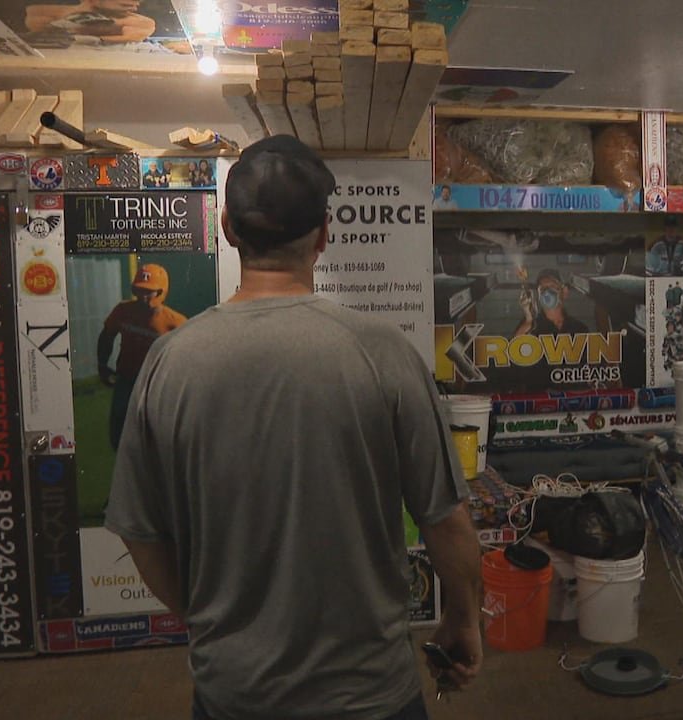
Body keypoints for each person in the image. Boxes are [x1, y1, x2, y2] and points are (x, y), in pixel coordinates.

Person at [105, 135, 482, 720]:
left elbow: (140, 532)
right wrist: (463, 621)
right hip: (371, 694)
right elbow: (447, 521)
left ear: (227, 227)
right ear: (325, 235)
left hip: (233, 693)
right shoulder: (383, 353)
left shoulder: (170, 361)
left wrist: (207, 620)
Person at [97, 263, 187, 451]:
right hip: (127, 380)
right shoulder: (124, 311)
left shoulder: (175, 323)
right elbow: (107, 335)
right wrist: (102, 365)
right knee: (118, 437)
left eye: (149, 292)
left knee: (158, 439)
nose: (142, 296)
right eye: (138, 290)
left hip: (158, 385)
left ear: (161, 292)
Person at [25, 0, 156, 44]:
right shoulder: (40, 14)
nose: (137, 2)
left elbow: (135, 32)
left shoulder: (143, 23)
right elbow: (33, 22)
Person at [514, 268, 589, 337]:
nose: (547, 292)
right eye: (542, 288)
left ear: (564, 292)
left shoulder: (578, 328)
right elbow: (515, 348)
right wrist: (529, 319)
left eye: (552, 286)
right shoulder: (531, 326)